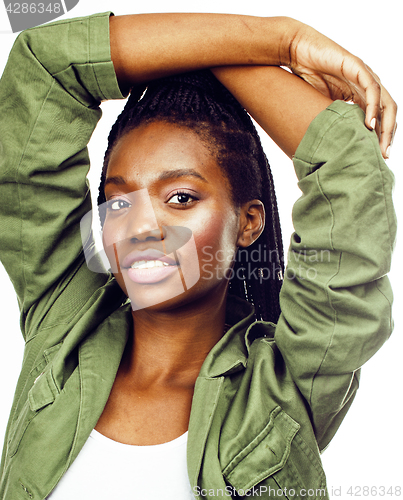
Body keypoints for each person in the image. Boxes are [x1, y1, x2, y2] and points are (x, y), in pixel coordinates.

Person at [0, 10, 397, 500]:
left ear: (249, 222)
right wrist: (279, 41)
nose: (140, 226)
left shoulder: (284, 385)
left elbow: (348, 170)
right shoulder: (63, 327)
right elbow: (43, 71)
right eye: (119, 200)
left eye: (181, 198)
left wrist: (238, 53)